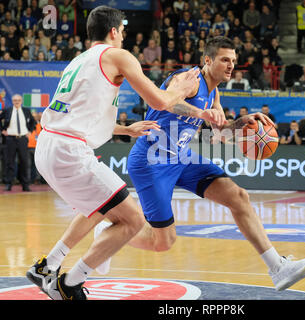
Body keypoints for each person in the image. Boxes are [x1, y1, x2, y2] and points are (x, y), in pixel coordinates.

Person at [26, 5, 221, 300]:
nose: (125, 36)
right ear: (114, 31)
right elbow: (158, 101)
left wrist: (125, 129)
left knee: (98, 207)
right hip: (69, 150)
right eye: (124, 30)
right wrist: (180, 88)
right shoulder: (118, 55)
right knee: (133, 221)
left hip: (49, 146)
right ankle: (70, 280)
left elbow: (80, 113)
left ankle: (49, 266)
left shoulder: (78, 61)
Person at [97, 36, 305, 291]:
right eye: (225, 59)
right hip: (152, 159)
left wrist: (242, 123)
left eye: (234, 61)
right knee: (163, 242)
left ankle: (278, 267)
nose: (230, 65)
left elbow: (221, 133)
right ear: (207, 60)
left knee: (238, 196)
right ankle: (108, 233)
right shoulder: (188, 79)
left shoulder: (214, 90)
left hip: (180, 157)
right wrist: (200, 113)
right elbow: (166, 101)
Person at [0, 94, 36, 191]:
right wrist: (2, 130)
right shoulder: (7, 111)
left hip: (22, 139)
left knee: (24, 162)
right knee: (9, 162)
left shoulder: (26, 111)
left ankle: (25, 184)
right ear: (12, 101)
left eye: (18, 100)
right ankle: (8, 183)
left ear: (21, 101)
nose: (17, 102)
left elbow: (33, 122)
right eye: (15, 100)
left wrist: (30, 131)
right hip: (10, 139)